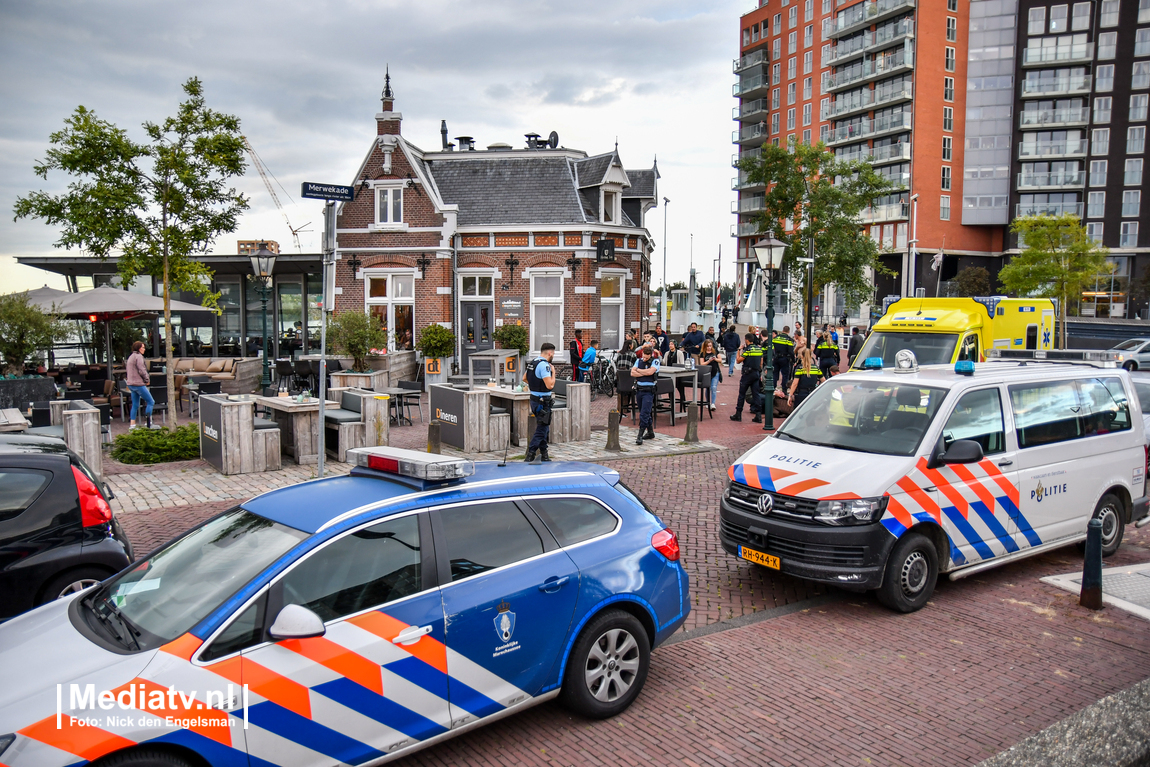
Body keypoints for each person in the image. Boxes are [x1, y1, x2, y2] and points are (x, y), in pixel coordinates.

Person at [525, 343, 557, 462]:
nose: (553, 356)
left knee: (544, 427)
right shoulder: (545, 366)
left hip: (534, 400)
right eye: (553, 353)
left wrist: (535, 386)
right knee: (542, 429)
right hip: (543, 402)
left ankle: (545, 455)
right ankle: (531, 454)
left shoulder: (533, 362)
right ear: (549, 353)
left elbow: (525, 378)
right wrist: (553, 373)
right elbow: (550, 385)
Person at [730, 333, 764, 422]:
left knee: (742, 394)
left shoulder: (748, 350)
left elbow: (738, 360)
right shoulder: (759, 349)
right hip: (756, 373)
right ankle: (758, 415)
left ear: (747, 340)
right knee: (756, 394)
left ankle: (738, 414)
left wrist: (739, 350)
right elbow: (761, 362)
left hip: (747, 374)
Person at [631, 344, 660, 444]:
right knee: (644, 411)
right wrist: (643, 372)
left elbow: (650, 372)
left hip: (649, 390)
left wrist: (638, 371)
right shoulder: (638, 361)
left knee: (644, 413)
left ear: (650, 355)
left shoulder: (655, 361)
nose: (644, 359)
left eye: (646, 358)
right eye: (643, 356)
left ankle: (640, 435)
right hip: (639, 389)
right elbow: (632, 373)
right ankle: (650, 432)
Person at [126, 340, 154, 430]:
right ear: (139, 348)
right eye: (143, 347)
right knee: (151, 401)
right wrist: (147, 379)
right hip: (138, 384)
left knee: (135, 404)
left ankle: (132, 425)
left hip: (131, 384)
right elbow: (142, 370)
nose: (144, 349)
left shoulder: (130, 357)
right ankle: (148, 422)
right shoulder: (139, 357)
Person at [771, 325, 796, 394]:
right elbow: (791, 351)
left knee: (775, 373)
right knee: (785, 374)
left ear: (782, 331)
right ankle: (784, 389)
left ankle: (773, 388)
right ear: (788, 331)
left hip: (776, 358)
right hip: (784, 359)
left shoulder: (776, 338)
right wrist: (793, 360)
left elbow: (773, 348)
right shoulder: (789, 340)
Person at [699, 338, 721, 411]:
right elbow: (702, 364)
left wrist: (715, 359)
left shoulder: (715, 352)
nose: (709, 347)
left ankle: (713, 403)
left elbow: (720, 360)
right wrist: (708, 361)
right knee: (707, 388)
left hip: (715, 372)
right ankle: (707, 402)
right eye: (708, 346)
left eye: (710, 346)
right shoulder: (703, 354)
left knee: (713, 387)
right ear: (705, 347)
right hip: (707, 373)